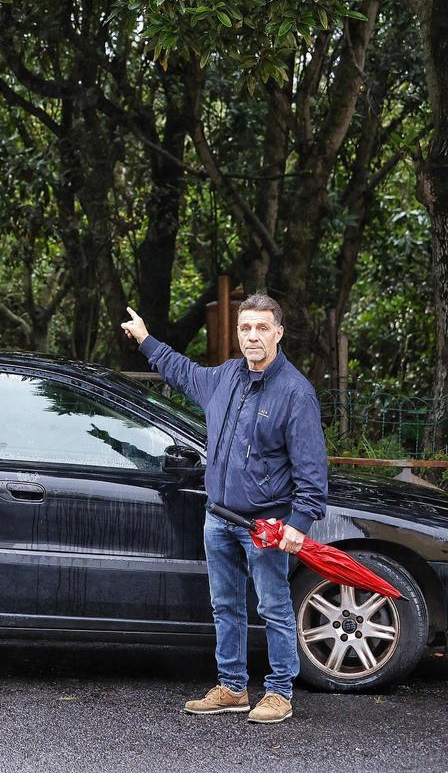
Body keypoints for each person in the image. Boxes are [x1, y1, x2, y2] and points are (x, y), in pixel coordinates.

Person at [120, 293, 327, 724]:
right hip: (218, 518)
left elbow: (312, 475)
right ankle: (233, 687)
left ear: (279, 333)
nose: (253, 336)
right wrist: (145, 340)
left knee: (273, 607)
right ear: (238, 333)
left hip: (264, 526)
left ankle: (280, 692)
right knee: (225, 605)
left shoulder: (296, 393)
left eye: (262, 328)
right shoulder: (226, 377)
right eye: (246, 328)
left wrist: (299, 524)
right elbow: (181, 372)